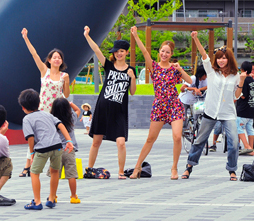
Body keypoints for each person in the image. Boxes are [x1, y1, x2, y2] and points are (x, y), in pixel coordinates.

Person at [128, 26, 192, 180]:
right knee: (151, 138)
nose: (164, 54)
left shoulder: (174, 69)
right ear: (159, 53)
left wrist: (180, 69)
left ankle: (174, 168)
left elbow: (190, 81)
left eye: (167, 52)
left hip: (174, 104)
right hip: (159, 105)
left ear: (171, 54)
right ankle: (137, 167)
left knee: (177, 137)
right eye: (162, 51)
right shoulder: (154, 67)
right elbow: (144, 52)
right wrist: (136, 36)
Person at [182, 31, 243, 181]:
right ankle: (189, 167)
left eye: (224, 58)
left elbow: (236, 96)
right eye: (219, 58)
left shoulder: (235, 75)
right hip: (210, 112)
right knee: (199, 141)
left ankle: (232, 170)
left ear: (229, 59)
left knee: (234, 142)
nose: (222, 61)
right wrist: (195, 39)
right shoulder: (211, 72)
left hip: (228, 113)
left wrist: (241, 82)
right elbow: (204, 55)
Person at [83, 25, 137, 179]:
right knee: (96, 141)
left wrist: (132, 77)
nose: (118, 54)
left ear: (126, 52)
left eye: (121, 51)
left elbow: (132, 92)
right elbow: (96, 50)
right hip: (103, 108)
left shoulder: (131, 69)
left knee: (121, 142)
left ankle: (121, 171)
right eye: (116, 51)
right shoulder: (108, 65)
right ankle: (90, 169)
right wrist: (87, 35)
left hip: (118, 111)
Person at [19, 28, 70, 177]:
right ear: (49, 60)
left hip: (55, 112)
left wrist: (66, 81)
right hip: (42, 110)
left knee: (53, 140)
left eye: (59, 57)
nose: (57, 59)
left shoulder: (64, 75)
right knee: (34, 137)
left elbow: (65, 95)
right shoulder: (44, 71)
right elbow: (34, 54)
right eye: (54, 57)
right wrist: (26, 38)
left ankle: (53, 167)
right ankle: (28, 165)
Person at [18, 89, 74, 210]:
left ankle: (37, 202)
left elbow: (31, 138)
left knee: (34, 173)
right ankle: (51, 198)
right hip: (57, 146)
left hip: (42, 149)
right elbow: (60, 124)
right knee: (55, 172)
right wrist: (68, 140)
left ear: (23, 107)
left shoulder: (27, 119)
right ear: (39, 104)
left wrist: (32, 152)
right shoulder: (47, 114)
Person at [49, 98, 82, 204]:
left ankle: (53, 196)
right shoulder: (71, 117)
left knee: (55, 175)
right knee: (71, 174)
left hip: (56, 150)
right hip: (69, 150)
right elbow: (78, 110)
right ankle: (73, 196)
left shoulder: (51, 120)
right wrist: (71, 103)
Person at [237, 61, 254, 156]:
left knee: (238, 127)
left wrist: (237, 93)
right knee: (250, 129)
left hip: (243, 109)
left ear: (243, 70)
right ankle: (251, 148)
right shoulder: (252, 80)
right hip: (251, 108)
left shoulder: (244, 80)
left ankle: (247, 146)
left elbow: (243, 95)